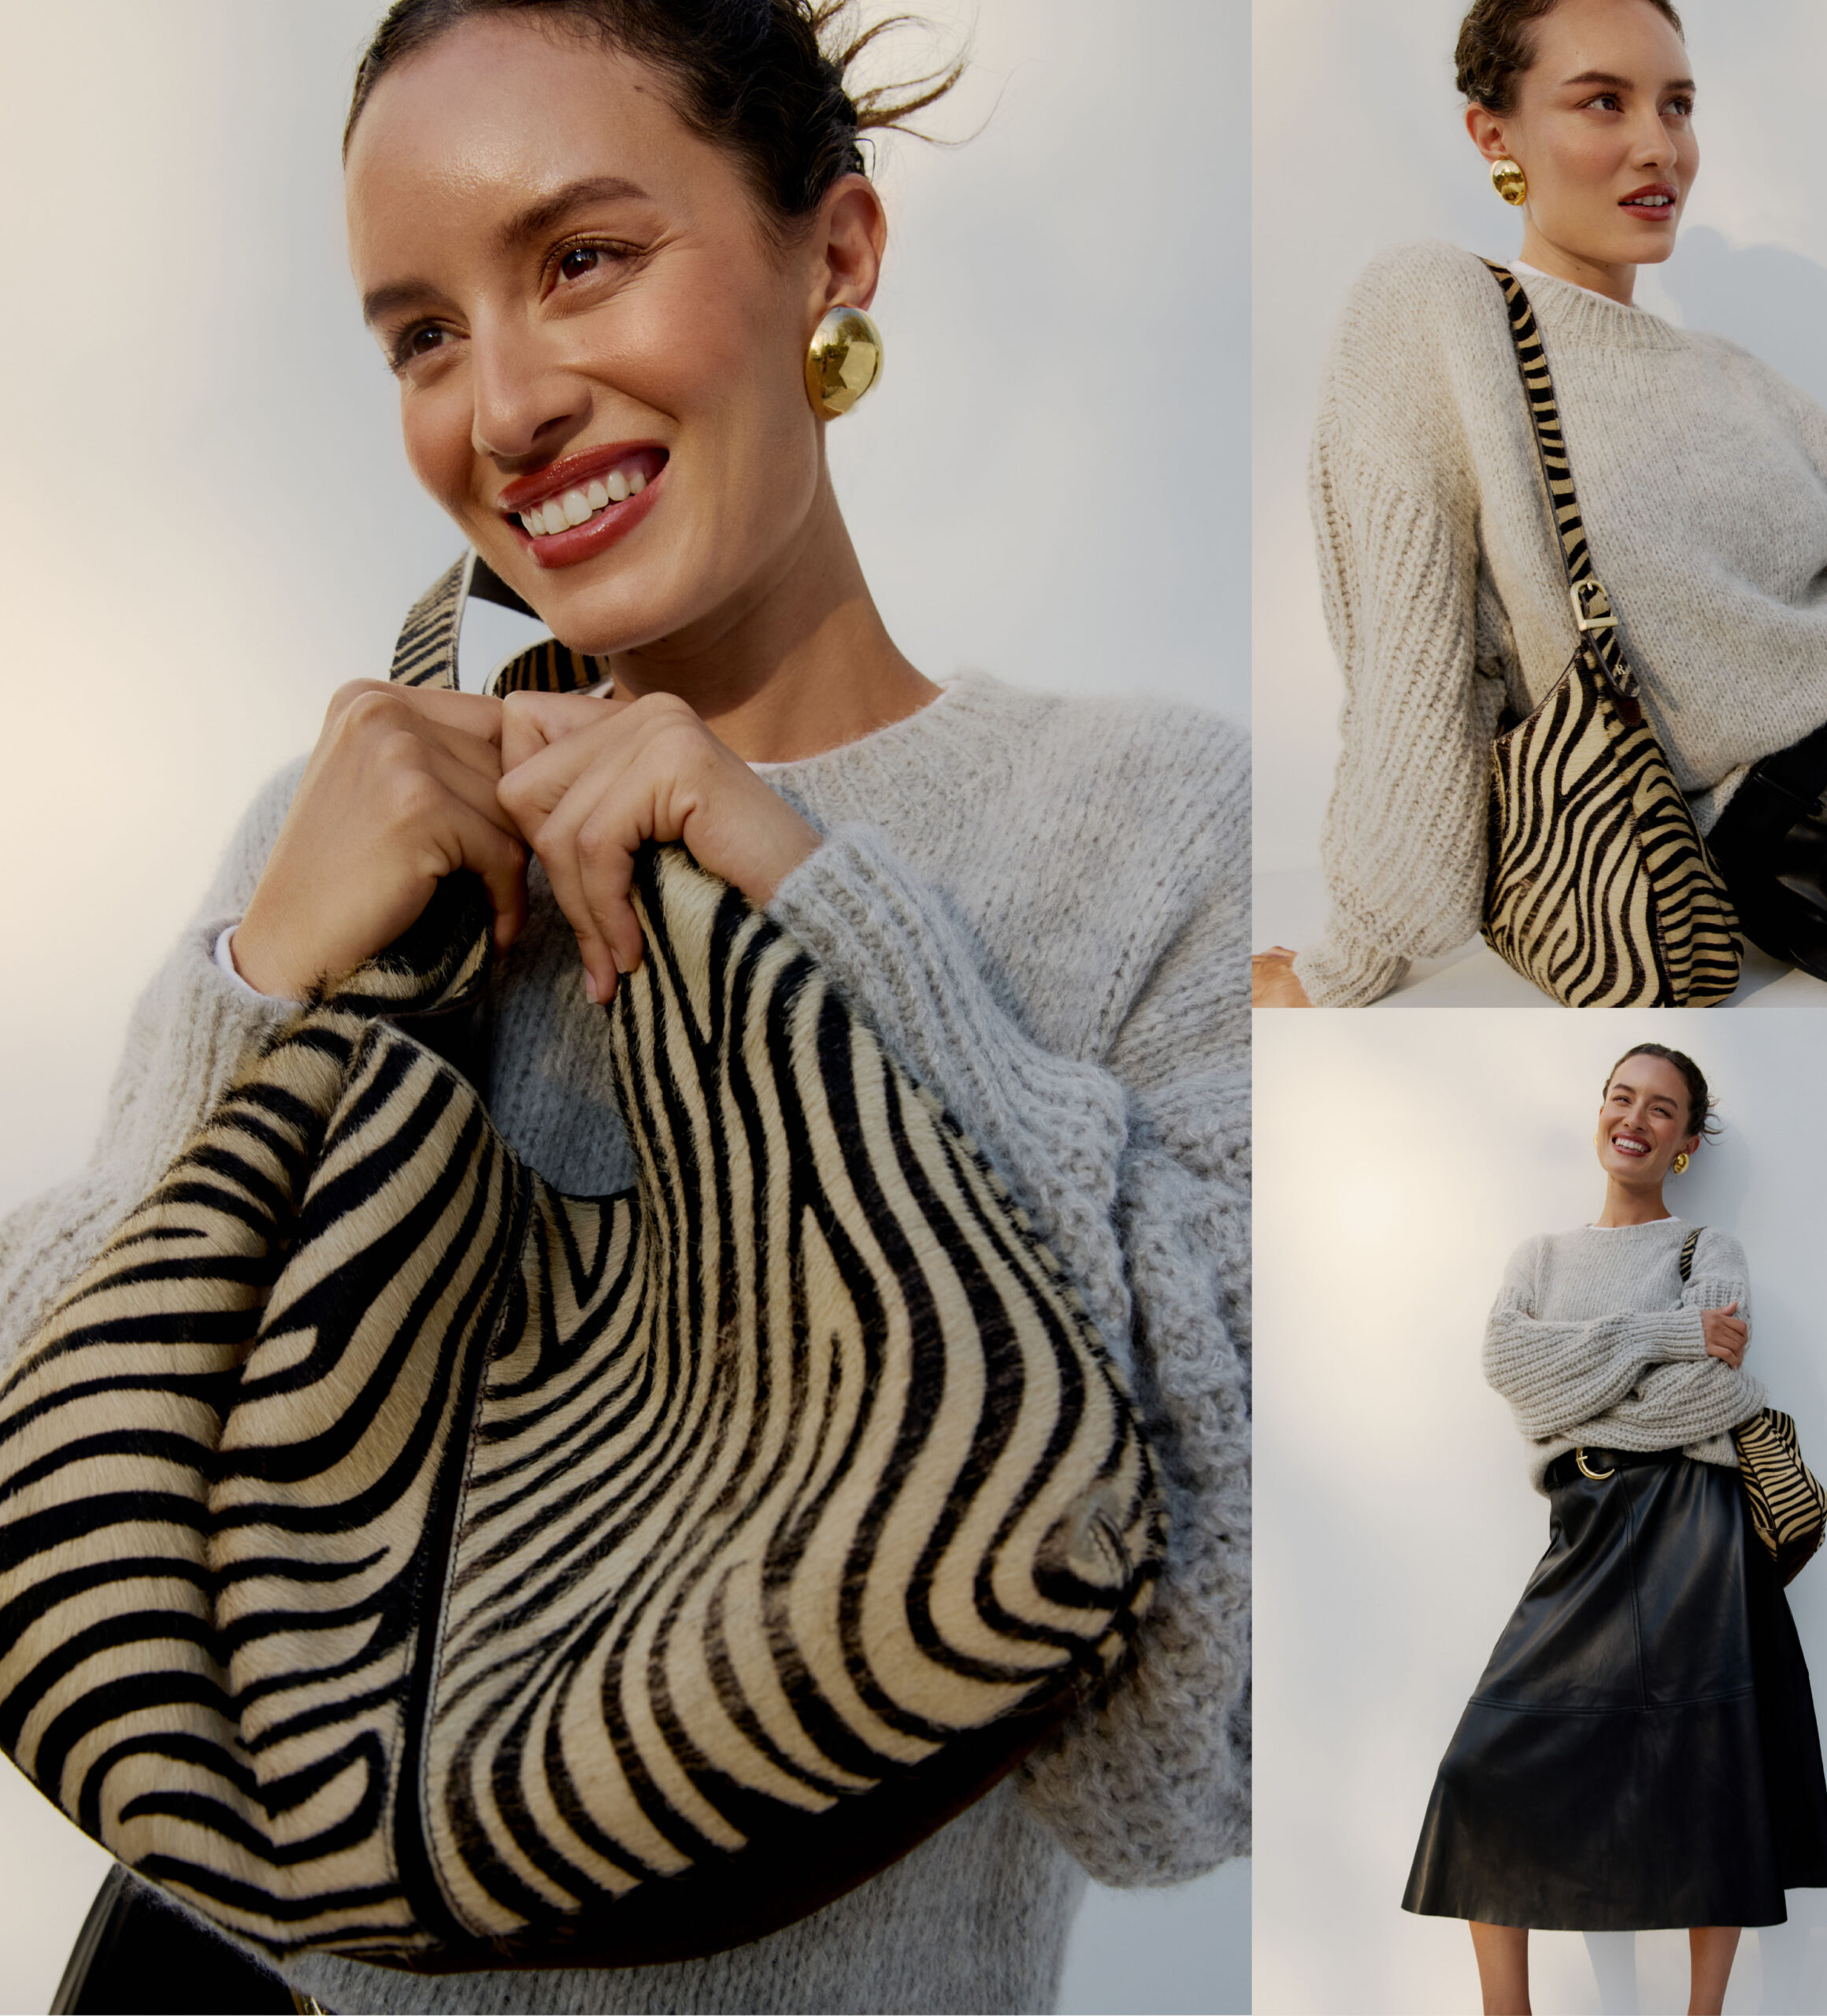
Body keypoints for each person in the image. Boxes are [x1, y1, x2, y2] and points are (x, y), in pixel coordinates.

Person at [0, 4, 1251, 2011]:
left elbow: (1183, 1758)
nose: (499, 406)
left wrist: (819, 904)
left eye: (581, 258)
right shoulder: (367, 822)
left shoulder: (1148, 837)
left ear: (832, 248)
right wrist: (254, 978)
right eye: (421, 334)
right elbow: (71, 1500)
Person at [1254, 0, 1827, 1009]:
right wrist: (1348, 963)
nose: (1660, 146)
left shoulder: (1724, 368)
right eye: (1602, 102)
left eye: (1677, 105)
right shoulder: (1438, 313)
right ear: (1494, 134)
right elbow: (1416, 664)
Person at [1401, 1043, 1827, 2016]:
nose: (1634, 1119)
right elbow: (1510, 1369)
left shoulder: (1707, 1250)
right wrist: (1662, 1335)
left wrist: (1577, 1397)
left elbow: (1709, 1393)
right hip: (1582, 1527)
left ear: (1685, 1141)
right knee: (1482, 1769)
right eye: (1620, 1097)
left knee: (1708, 1768)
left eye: (1661, 1108)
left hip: (1696, 1531)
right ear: (1599, 1109)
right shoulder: (1540, 1259)